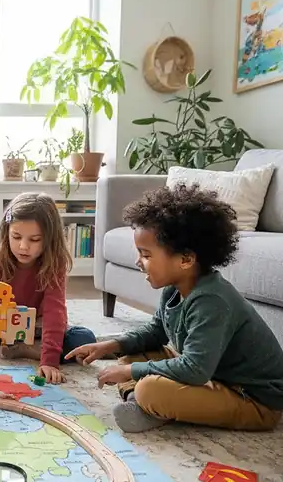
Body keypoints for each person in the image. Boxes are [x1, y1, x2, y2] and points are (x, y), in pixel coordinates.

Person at [67, 183, 283, 432]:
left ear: (186, 259)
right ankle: (143, 403)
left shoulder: (212, 301)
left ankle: (148, 402)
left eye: (146, 255)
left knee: (147, 386)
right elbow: (156, 333)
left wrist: (131, 372)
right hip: (212, 373)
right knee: (131, 356)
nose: (138, 261)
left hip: (252, 399)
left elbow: (195, 369)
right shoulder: (174, 286)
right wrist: (111, 346)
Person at [0, 192, 96, 383]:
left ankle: (25, 348)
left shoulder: (54, 264)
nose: (23, 246)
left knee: (84, 340)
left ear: (50, 238)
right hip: (0, 323)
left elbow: (55, 311)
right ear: (6, 232)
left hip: (36, 325)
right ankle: (15, 344)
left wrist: (49, 361)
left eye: (35, 240)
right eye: (16, 237)